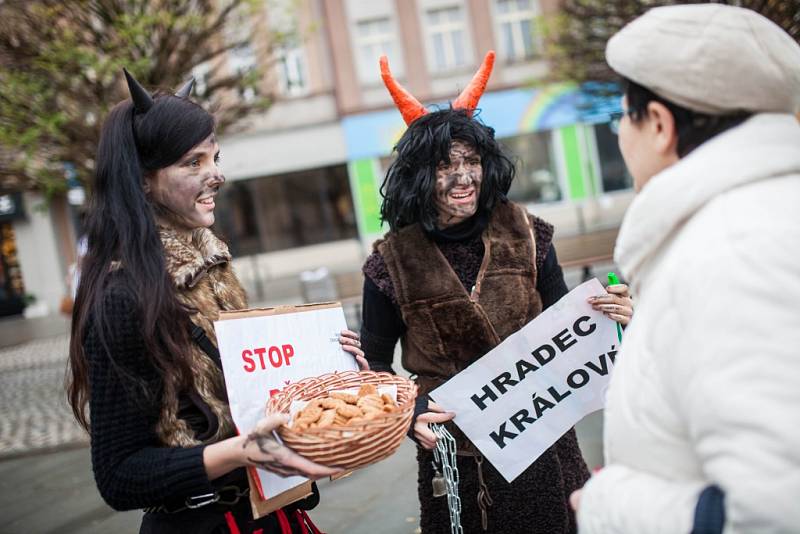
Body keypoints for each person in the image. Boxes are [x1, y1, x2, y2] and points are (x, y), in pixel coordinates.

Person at [67, 70, 367, 533]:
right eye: (193, 163)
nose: (217, 175)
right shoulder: (121, 297)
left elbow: (246, 394)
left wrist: (329, 370)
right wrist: (236, 453)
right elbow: (118, 476)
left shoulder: (213, 266)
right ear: (143, 181)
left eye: (215, 157)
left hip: (269, 513)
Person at [359, 52, 633, 533]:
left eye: (472, 161)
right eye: (446, 165)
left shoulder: (527, 233)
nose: (463, 177)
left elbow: (571, 328)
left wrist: (615, 316)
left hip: (546, 444)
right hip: (457, 460)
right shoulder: (390, 263)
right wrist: (412, 415)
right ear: (420, 176)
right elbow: (375, 368)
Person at [570, 5, 800, 533]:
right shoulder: (750, 223)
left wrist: (610, 508)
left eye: (621, 117)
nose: (620, 137)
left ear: (658, 125)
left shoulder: (737, 249)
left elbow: (776, 511)